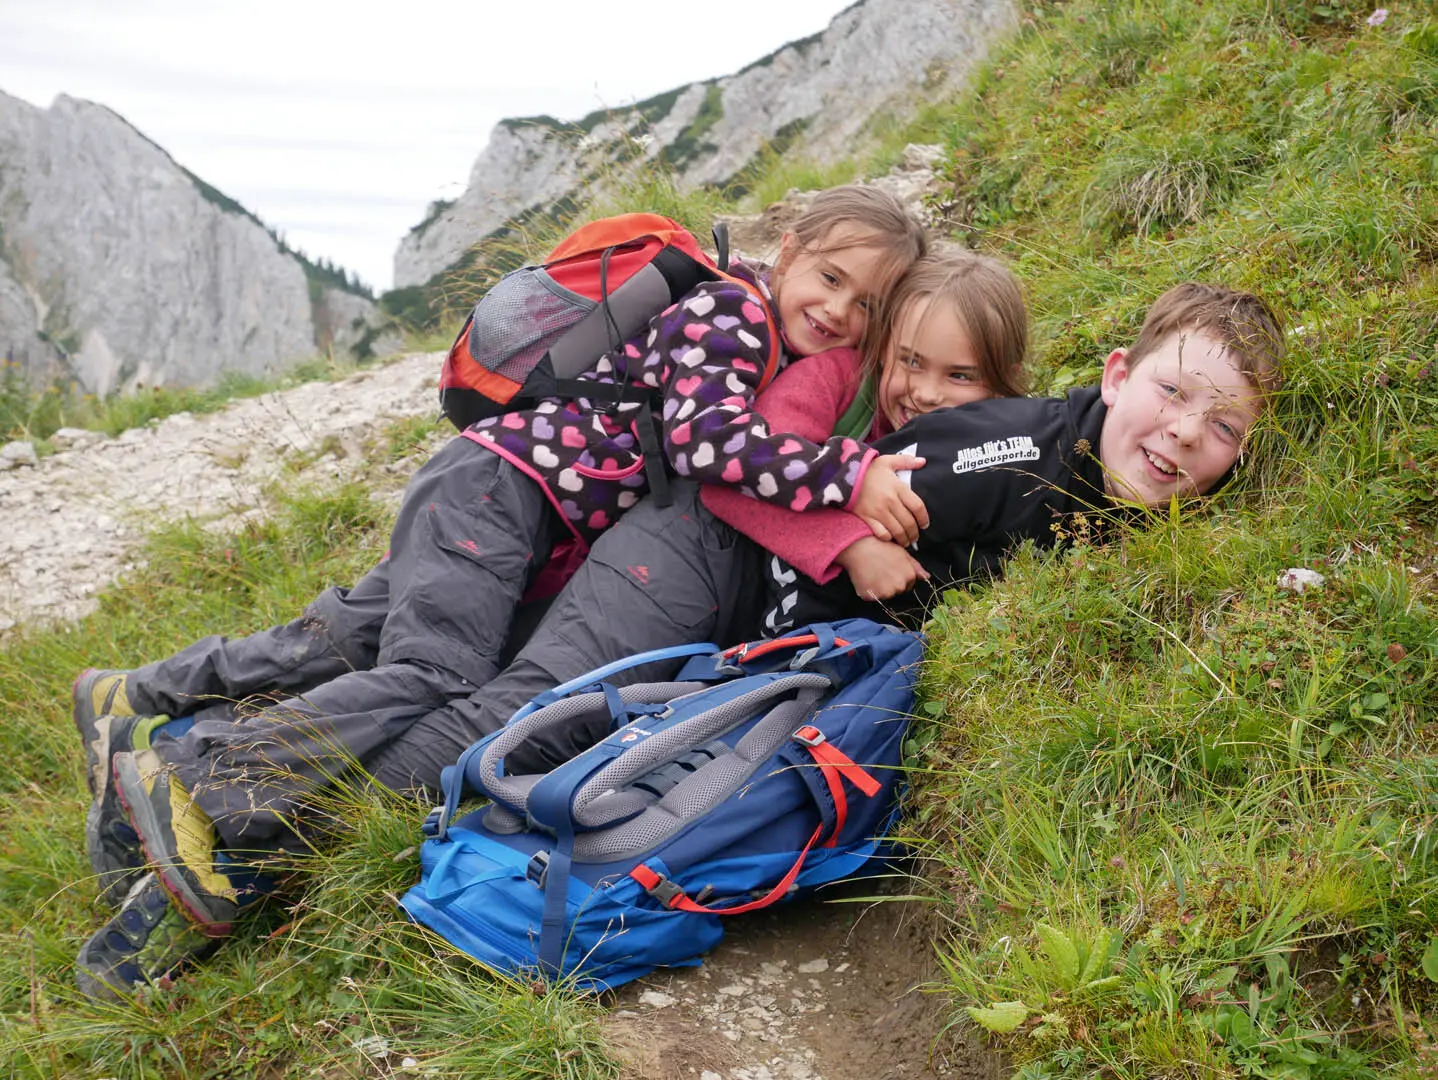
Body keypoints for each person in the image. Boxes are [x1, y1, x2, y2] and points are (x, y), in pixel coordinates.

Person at [70, 242, 1025, 1000]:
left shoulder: (945, 437)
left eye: (960, 377)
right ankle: (221, 804)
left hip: (568, 522)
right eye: (909, 359)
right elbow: (723, 466)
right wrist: (847, 530)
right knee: (470, 695)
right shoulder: (821, 375)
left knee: (376, 643)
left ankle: (168, 740)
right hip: (599, 524)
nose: (923, 389)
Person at [707, 281, 1285, 632]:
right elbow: (766, 495)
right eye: (1172, 391)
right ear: (1117, 378)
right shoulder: (1011, 454)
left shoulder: (1175, 512)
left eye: (1225, 426)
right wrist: (850, 549)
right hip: (755, 603)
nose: (1186, 431)